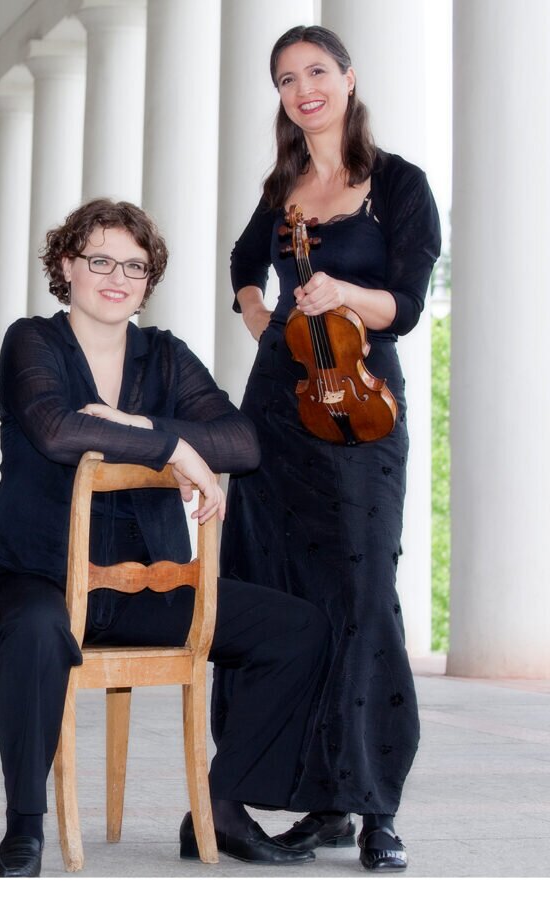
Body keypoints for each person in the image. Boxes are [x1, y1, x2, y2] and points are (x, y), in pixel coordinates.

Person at [0, 198, 331, 877]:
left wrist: (136, 423)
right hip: (30, 578)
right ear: (67, 266)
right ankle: (24, 826)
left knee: (298, 629)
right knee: (39, 631)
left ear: (148, 280)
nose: (117, 278)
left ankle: (221, 807)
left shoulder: (165, 356)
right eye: (100, 260)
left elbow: (242, 443)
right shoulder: (32, 343)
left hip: (143, 587)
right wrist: (170, 445)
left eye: (134, 266)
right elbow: (56, 429)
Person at [220, 25, 441, 871]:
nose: (303, 88)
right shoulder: (283, 188)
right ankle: (320, 804)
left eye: (316, 71)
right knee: (283, 591)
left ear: (348, 78)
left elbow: (406, 305)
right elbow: (245, 261)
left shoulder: (398, 184)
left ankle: (376, 803)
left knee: (362, 590)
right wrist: (258, 313)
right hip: (278, 409)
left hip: (359, 409)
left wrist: (342, 290)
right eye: (286, 78)